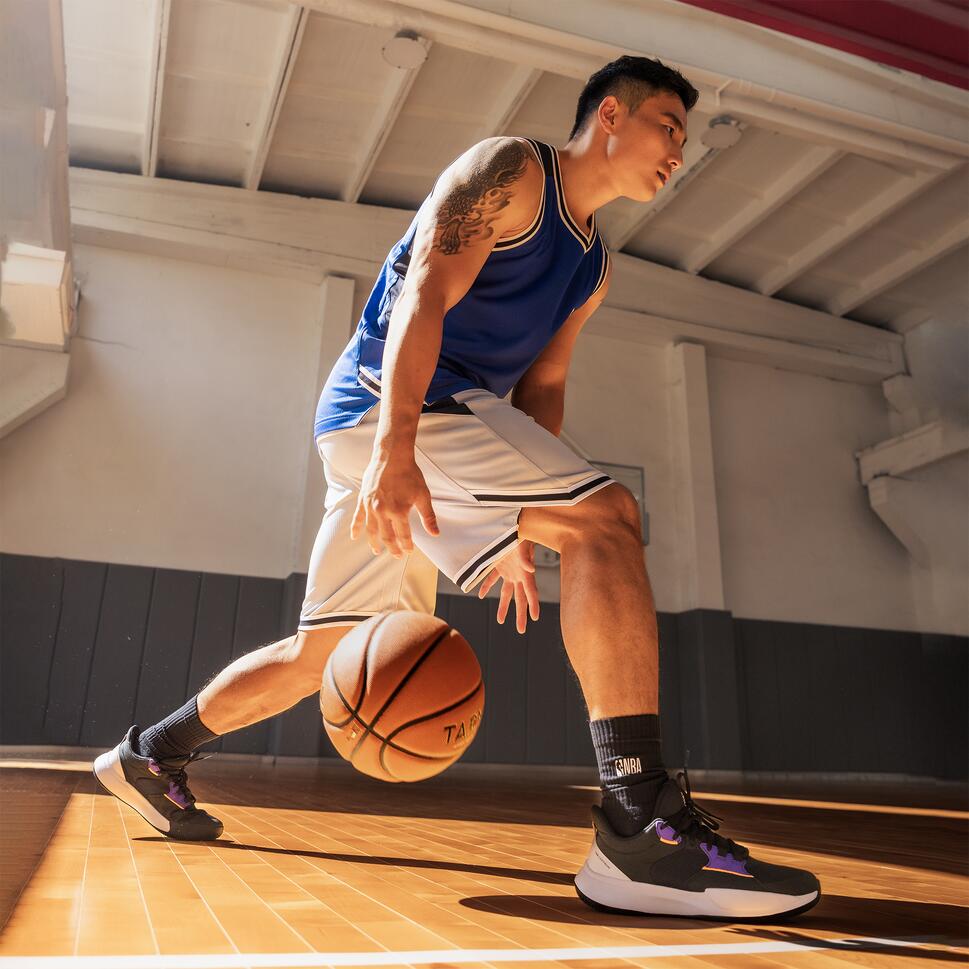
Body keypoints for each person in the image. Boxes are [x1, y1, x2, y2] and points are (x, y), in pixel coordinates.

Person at [94, 55, 819, 920]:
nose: (678, 151)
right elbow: (422, 301)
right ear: (611, 117)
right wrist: (399, 446)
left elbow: (541, 389)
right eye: (669, 126)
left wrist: (520, 518)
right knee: (609, 519)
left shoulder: (592, 267)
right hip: (396, 408)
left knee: (328, 652)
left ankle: (150, 754)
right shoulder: (509, 171)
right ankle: (639, 825)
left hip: (407, 425)